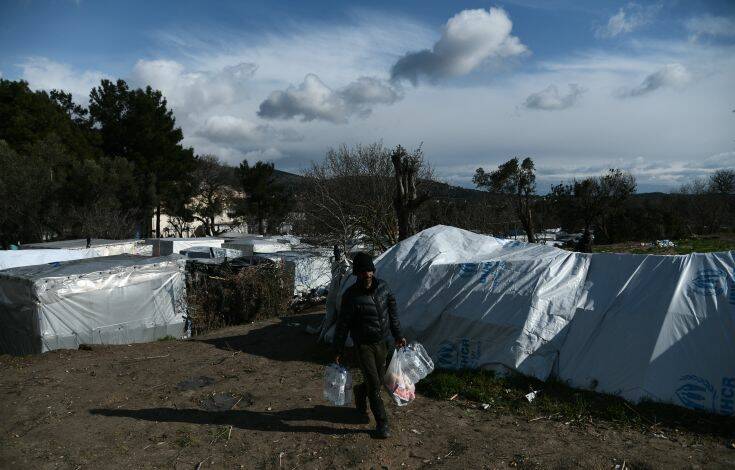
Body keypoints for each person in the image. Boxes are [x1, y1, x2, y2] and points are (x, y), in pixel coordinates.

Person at [333, 251, 406, 439]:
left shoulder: (384, 288)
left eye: (369, 271)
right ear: (357, 273)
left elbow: (393, 315)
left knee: (379, 380)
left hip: (382, 342)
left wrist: (398, 335)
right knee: (374, 385)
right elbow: (343, 325)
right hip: (363, 344)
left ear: (373, 271)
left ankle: (359, 390)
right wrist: (337, 349)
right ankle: (382, 424)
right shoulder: (350, 296)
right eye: (363, 271)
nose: (367, 275)